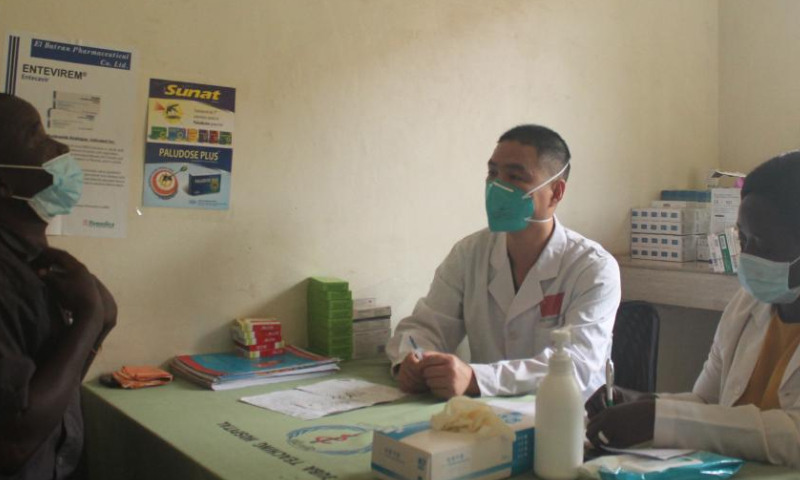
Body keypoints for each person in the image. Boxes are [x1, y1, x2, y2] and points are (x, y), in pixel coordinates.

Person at [585, 151, 800, 468]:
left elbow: (793, 435)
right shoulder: (748, 303)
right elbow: (708, 402)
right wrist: (644, 403)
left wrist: (661, 419)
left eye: (764, 243)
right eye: (743, 237)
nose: (749, 256)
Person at [385, 124, 620, 399]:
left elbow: (575, 366)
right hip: (486, 417)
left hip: (566, 422)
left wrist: (475, 379)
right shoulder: (469, 253)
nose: (498, 186)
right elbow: (426, 326)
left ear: (556, 192)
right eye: (493, 173)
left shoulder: (593, 268)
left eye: (515, 176)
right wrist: (412, 360)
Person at [0, 93, 117, 479]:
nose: (60, 146)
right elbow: (12, 443)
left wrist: (97, 327)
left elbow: (48, 392)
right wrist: (88, 319)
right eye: (36, 136)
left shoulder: (32, 264)